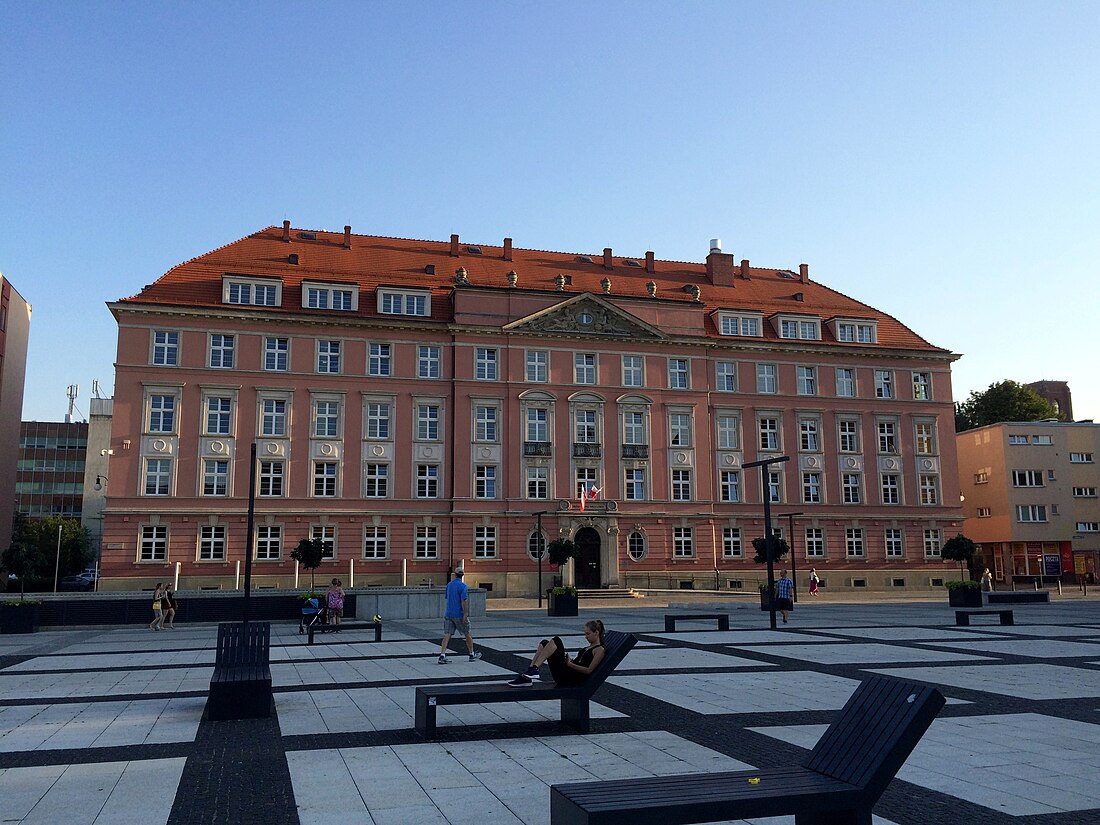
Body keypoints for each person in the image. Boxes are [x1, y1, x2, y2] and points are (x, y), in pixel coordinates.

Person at [508, 619, 606, 687]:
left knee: (557, 640)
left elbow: (589, 670)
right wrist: (570, 660)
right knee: (544, 643)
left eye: (588, 634)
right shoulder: (588, 647)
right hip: (567, 672)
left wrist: (570, 664)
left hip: (570, 678)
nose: (585, 636)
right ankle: (530, 672)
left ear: (596, 633)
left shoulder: (599, 650)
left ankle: (534, 669)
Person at [438, 569, 481, 663]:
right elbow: (463, 601)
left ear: (455, 575)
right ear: (463, 575)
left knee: (447, 634)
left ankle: (442, 655)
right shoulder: (463, 586)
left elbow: (447, 597)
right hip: (459, 614)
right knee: (467, 633)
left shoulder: (449, 585)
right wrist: (465, 614)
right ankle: (471, 654)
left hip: (449, 613)